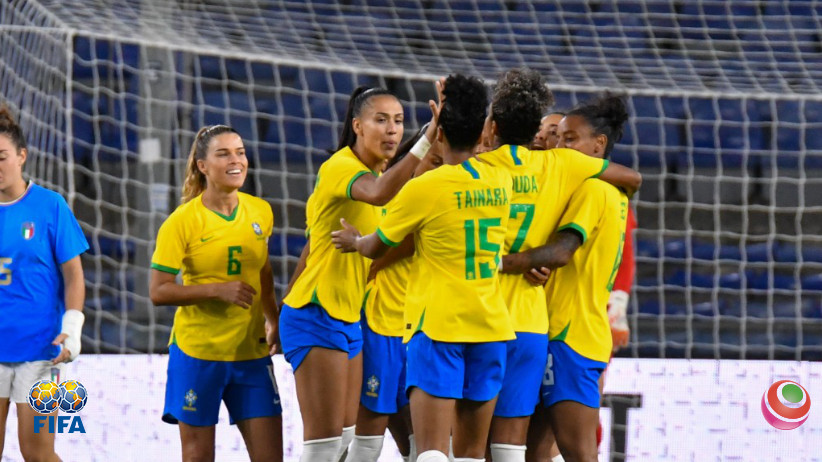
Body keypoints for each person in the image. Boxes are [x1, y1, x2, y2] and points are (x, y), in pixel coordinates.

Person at [332, 74, 512, 462]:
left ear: (439, 133)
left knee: (430, 452)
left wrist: (354, 241)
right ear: (484, 130)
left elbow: (375, 247)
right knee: (470, 455)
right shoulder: (502, 180)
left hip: (438, 326)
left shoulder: (425, 188)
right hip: (491, 324)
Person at [477, 70, 640, 462]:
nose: (559, 146)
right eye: (557, 137)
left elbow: (563, 251)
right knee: (534, 452)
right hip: (555, 330)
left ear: (599, 144)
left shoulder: (594, 188)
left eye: (569, 139)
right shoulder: (588, 187)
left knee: (578, 452)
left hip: (570, 335)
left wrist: (503, 262)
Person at [280, 85, 439, 462]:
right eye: (381, 120)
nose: (392, 129)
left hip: (349, 316)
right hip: (316, 312)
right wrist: (428, 138)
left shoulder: (383, 177)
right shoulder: (342, 167)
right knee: (324, 446)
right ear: (357, 126)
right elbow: (379, 193)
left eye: (398, 121)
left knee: (343, 441)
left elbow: (313, 246)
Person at [149, 125, 283, 462]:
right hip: (198, 353)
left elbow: (264, 271)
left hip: (250, 352)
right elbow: (159, 291)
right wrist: (216, 290)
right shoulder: (181, 222)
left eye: (240, 152)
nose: (236, 160)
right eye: (223, 154)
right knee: (198, 456)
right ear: (203, 166)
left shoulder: (261, 211)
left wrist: (273, 319)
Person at [346, 127, 443, 462]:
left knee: (420, 444)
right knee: (368, 439)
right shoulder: (394, 202)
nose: (441, 169)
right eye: (434, 161)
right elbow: (374, 257)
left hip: (421, 331)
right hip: (381, 325)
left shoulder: (446, 198)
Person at [0, 106, 88, 461]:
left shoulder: (50, 206)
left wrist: (73, 328)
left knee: (37, 454)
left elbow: (74, 275)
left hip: (40, 351)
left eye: (2, 157)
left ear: (21, 156)